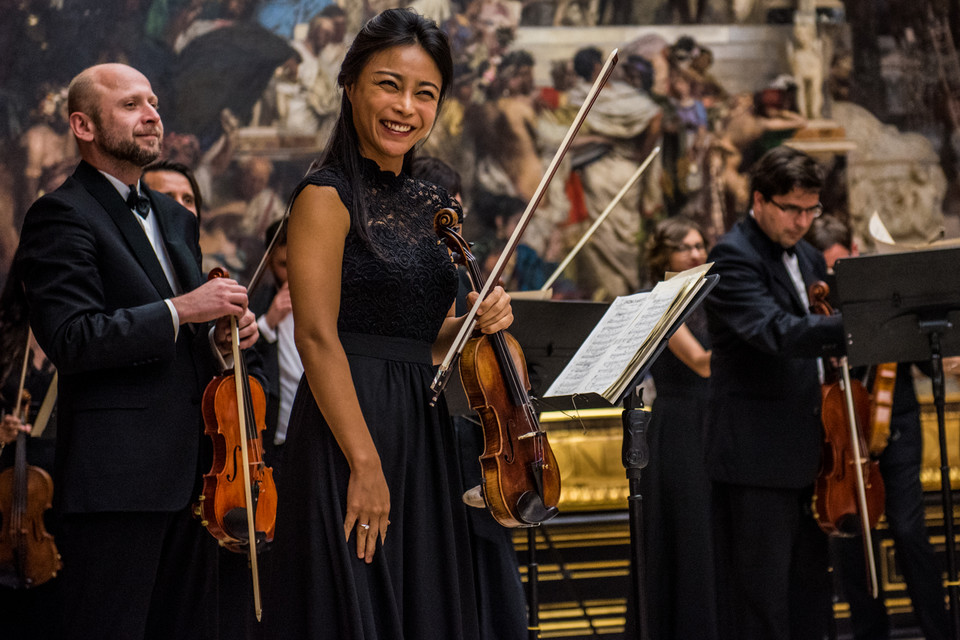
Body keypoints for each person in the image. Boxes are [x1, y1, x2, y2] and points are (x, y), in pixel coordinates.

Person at [264, 9, 513, 640]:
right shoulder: (324, 195)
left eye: (424, 93)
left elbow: (422, 335)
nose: (406, 106)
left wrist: (478, 321)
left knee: (422, 604)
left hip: (421, 430)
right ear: (350, 85)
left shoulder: (435, 203)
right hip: (350, 428)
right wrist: (364, 463)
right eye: (388, 84)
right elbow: (316, 336)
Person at [14, 62, 259, 640]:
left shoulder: (174, 216)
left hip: (201, 475)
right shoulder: (60, 214)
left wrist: (222, 338)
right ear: (84, 126)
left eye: (152, 102)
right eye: (130, 105)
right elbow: (74, 338)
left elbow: (185, 336)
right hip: (118, 481)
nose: (152, 115)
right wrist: (183, 310)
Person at [704, 145, 845, 640]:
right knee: (761, 601)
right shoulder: (732, 254)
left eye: (812, 209)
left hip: (810, 451)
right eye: (792, 209)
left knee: (810, 590)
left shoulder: (806, 255)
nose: (803, 221)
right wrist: (852, 327)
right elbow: (774, 331)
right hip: (757, 455)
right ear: (760, 200)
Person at [806, 215, 950, 640]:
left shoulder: (882, 288)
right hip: (842, 432)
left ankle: (939, 630)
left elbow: (921, 350)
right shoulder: (816, 299)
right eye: (827, 272)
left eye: (840, 267)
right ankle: (870, 634)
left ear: (854, 252)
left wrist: (943, 353)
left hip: (895, 425)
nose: (835, 279)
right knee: (851, 538)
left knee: (909, 532)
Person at [631, 216, 716, 640]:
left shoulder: (708, 297)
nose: (698, 254)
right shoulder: (661, 300)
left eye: (701, 245)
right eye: (687, 247)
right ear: (664, 254)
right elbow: (701, 362)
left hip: (713, 422)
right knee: (689, 532)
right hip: (680, 424)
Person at [249, 218, 301, 480]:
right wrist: (268, 322)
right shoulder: (258, 300)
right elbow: (239, 357)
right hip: (275, 441)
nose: (293, 274)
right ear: (269, 261)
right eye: (283, 265)